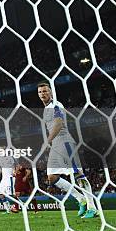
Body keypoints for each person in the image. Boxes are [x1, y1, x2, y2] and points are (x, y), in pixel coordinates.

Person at [38, 82, 98, 218]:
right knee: (52, 177)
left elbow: (59, 123)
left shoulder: (56, 105)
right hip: (55, 144)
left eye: (45, 91)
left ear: (51, 92)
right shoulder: (46, 109)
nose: (42, 94)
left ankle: (92, 208)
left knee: (78, 174)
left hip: (65, 142)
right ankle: (81, 200)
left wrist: (47, 140)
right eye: (40, 92)